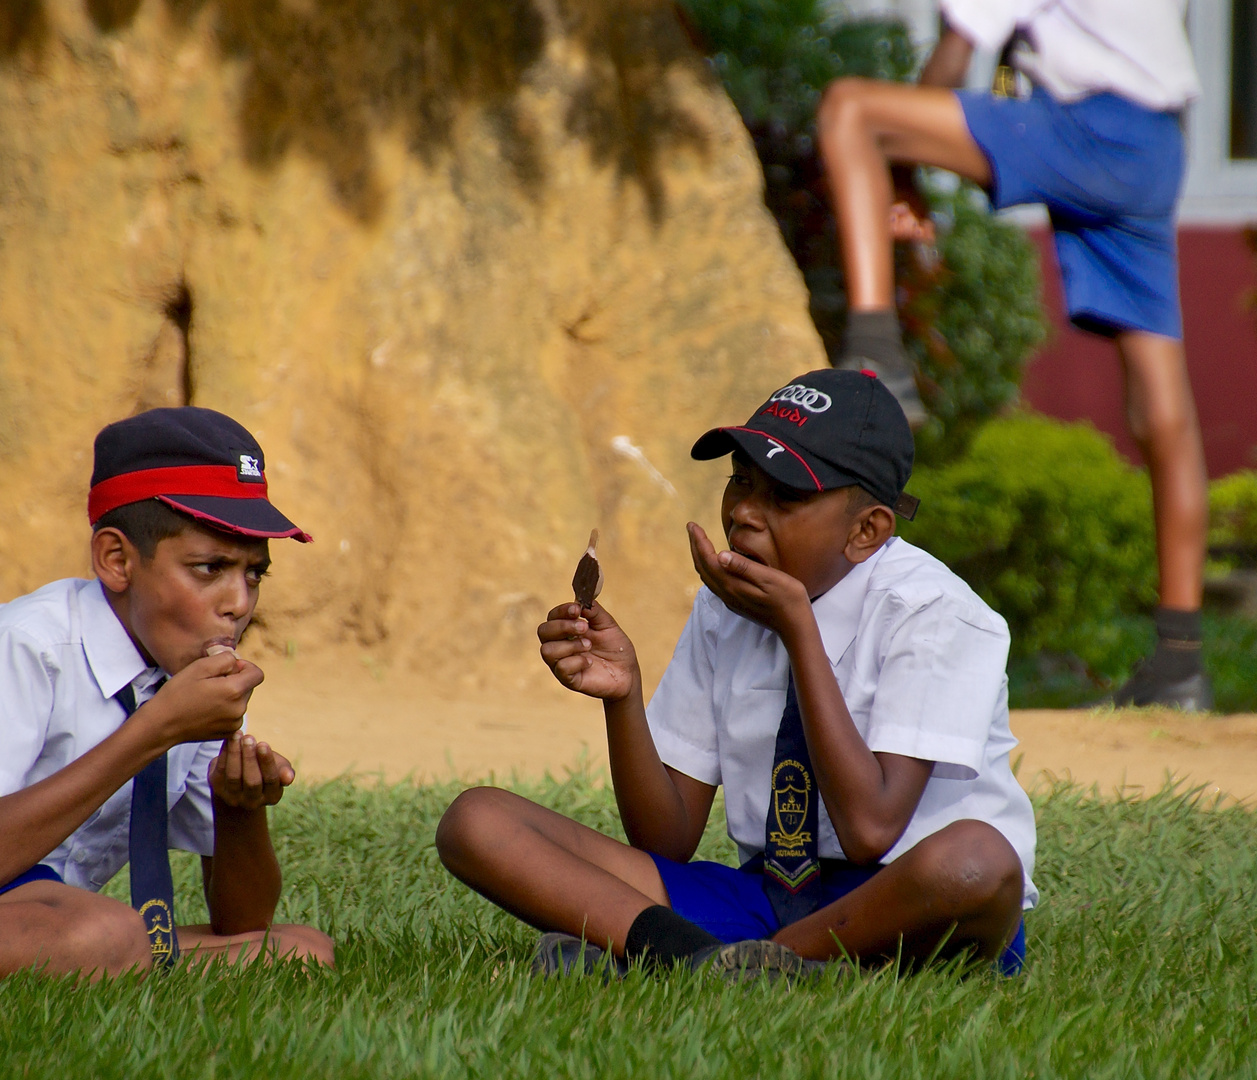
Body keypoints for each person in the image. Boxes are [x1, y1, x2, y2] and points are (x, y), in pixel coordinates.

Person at [437, 369, 1035, 978]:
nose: (745, 513)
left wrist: (798, 629)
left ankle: (717, 961)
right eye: (741, 482)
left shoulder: (936, 614)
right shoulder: (724, 608)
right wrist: (624, 695)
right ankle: (706, 961)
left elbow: (871, 830)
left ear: (866, 531)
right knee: (478, 821)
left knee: (976, 861)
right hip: (768, 897)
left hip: (908, 908)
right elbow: (665, 840)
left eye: (785, 497)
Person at [817, 0, 1212, 709]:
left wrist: (901, 170)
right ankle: (1180, 661)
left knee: (850, 108)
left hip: (1085, 129)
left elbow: (953, 57)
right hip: (1153, 145)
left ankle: (875, 350)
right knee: (1162, 407)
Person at [0, 407, 335, 982]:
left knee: (302, 949)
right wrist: (156, 729)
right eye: (210, 568)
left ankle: (108, 962)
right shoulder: (27, 643)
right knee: (107, 931)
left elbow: (243, 919)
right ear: (116, 560)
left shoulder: (183, 680)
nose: (238, 602)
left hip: (49, 915)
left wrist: (239, 809)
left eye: (255, 573)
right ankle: (107, 956)